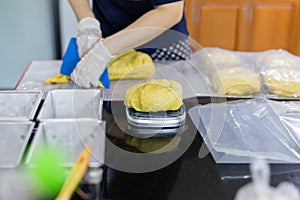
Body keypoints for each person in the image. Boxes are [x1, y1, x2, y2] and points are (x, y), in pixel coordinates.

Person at [68, 0, 191, 88]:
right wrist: (87, 22)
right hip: (109, 37)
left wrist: (103, 51)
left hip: (162, 47)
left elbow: (170, 12)